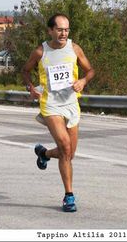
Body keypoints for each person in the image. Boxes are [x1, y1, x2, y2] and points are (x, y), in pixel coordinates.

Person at [22, 13, 95, 212]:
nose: (63, 33)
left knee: (69, 154)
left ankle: (44, 153)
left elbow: (90, 70)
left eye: (66, 30)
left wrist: (83, 81)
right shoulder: (40, 51)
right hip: (50, 104)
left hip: (71, 104)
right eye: (60, 29)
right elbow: (25, 71)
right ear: (50, 30)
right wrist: (31, 88)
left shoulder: (74, 48)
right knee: (64, 145)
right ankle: (69, 196)